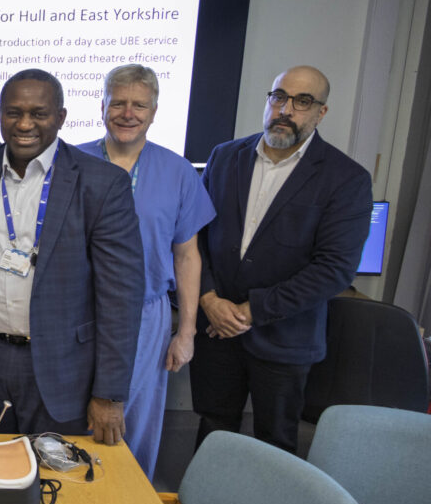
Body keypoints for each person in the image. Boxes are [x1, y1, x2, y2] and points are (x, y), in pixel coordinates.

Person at [0, 69, 144, 443]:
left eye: (38, 113)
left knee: (58, 483)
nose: (25, 124)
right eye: (14, 112)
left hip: (62, 367)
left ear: (60, 117)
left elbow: (120, 299)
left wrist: (109, 393)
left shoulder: (101, 183)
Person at [194, 66, 372, 453]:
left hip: (285, 338)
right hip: (215, 330)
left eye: (302, 101)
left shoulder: (347, 179)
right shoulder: (225, 157)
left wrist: (248, 311)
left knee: (275, 443)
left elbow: (334, 269)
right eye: (278, 97)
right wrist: (208, 300)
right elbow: (195, 239)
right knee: (213, 428)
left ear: (321, 112)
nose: (286, 109)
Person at [77, 65, 215, 478]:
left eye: (139, 104)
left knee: (131, 424)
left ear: (154, 112)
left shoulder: (178, 173)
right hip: (78, 311)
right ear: (102, 106)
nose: (127, 113)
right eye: (118, 102)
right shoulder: (71, 161)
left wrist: (186, 331)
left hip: (145, 316)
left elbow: (187, 256)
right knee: (73, 418)